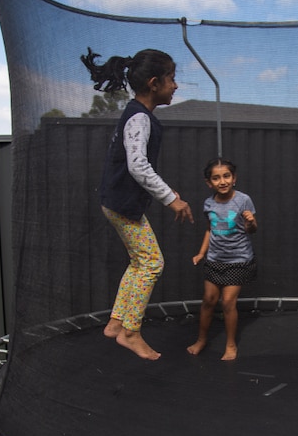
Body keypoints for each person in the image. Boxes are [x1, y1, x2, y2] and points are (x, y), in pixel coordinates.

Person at [82, 48, 194, 360]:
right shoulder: (140, 117)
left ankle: (117, 323)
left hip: (117, 201)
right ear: (155, 83)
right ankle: (131, 331)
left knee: (139, 261)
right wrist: (172, 200)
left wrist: (166, 191)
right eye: (172, 79)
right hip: (120, 203)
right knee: (152, 262)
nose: (176, 85)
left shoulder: (138, 115)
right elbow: (138, 166)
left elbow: (136, 165)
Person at [187, 158, 258, 360]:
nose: (222, 181)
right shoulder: (208, 203)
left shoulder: (243, 200)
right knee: (208, 300)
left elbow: (252, 230)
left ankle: (231, 344)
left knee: (228, 302)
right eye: (216, 178)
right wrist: (201, 253)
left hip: (238, 259)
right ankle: (201, 339)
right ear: (209, 183)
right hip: (215, 258)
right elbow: (210, 229)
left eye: (226, 176)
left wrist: (251, 222)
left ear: (234, 178)